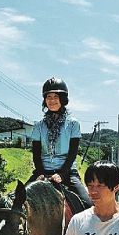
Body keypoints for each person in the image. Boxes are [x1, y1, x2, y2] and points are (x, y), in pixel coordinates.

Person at [26, 77, 91, 207]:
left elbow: (73, 153)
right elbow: (36, 153)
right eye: (48, 96)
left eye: (56, 96)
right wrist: (40, 173)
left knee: (88, 204)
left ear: (63, 99)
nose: (52, 100)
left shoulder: (73, 124)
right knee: (16, 199)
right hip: (43, 171)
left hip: (67, 172)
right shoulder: (39, 126)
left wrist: (62, 174)